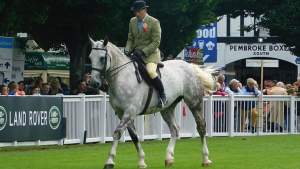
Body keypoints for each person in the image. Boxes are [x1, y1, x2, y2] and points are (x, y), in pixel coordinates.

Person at [125, 0, 167, 107]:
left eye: (139, 11)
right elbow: (130, 38)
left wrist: (143, 52)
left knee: (151, 72)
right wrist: (127, 50)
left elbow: (156, 42)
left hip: (150, 55)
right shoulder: (132, 21)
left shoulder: (154, 22)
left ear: (145, 10)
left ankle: (163, 96)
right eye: (135, 12)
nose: (137, 14)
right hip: (136, 54)